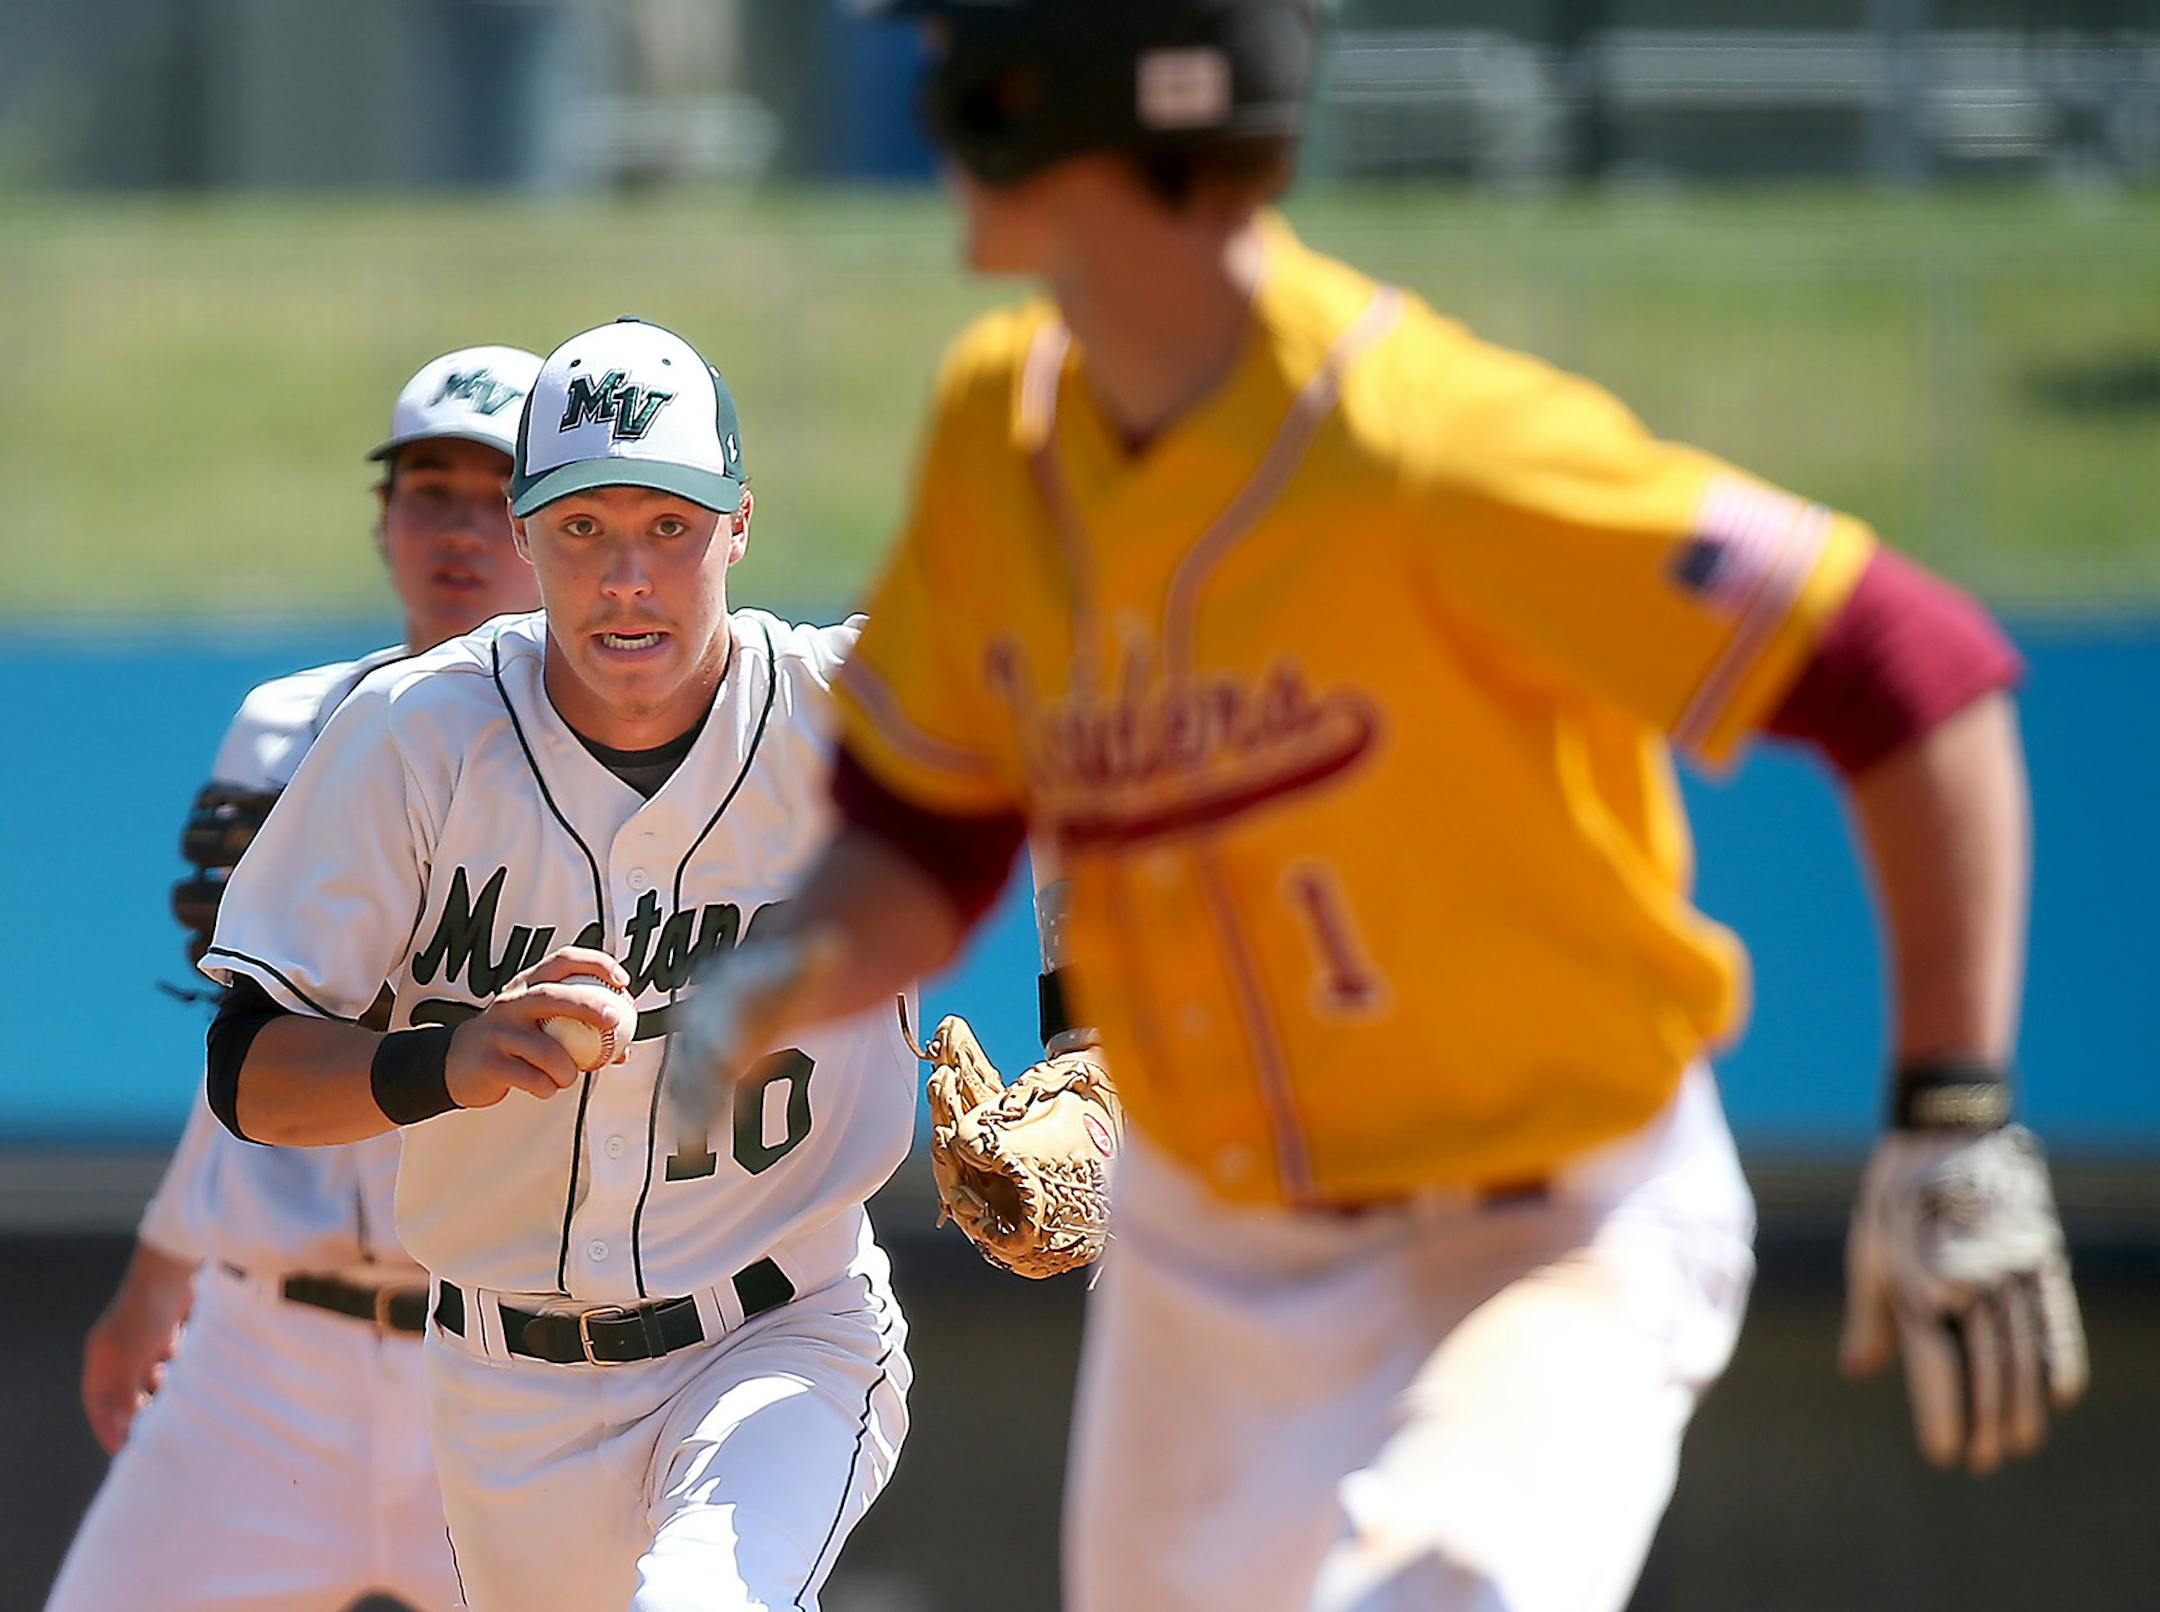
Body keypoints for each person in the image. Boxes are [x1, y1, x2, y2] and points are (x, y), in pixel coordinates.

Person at [668, 5, 2089, 1610]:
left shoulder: (1430, 446)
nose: (937, 87)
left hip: (1537, 1227)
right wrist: (793, 972)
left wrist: (1955, 1117)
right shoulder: (1007, 433)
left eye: (971, 51)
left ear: (1052, 99)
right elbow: (935, 834)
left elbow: (1915, 668)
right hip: (1218, 1252)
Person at [198, 316, 914, 1612]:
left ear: (740, 525)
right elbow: (251, 1075)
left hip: (782, 1333)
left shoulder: (851, 713)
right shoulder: (418, 735)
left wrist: (1081, 1038)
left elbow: (1095, 739)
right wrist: (448, 1061)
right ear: (525, 542)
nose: (626, 578)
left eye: (669, 526)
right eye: (583, 529)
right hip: (501, 1385)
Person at [47, 344, 545, 1612]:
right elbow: (248, 1057)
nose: (461, 526)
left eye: (500, 494)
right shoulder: (284, 725)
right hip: (263, 1356)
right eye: (430, 489)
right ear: (384, 520)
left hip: (509, 1358)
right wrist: (162, 1267)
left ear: (560, 523)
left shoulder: (619, 771)